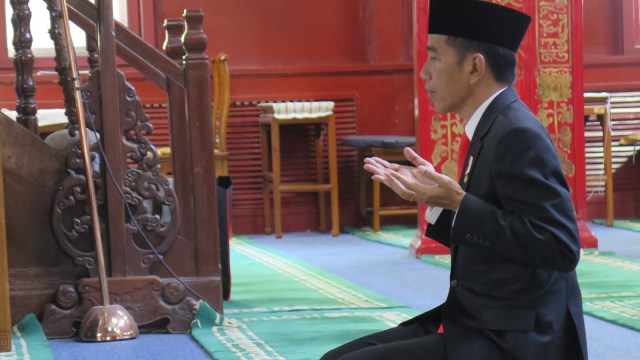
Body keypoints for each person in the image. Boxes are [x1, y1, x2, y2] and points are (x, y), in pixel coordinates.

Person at [321, 0, 588, 359]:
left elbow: (560, 246)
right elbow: (496, 235)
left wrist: (460, 202)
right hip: (480, 319)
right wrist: (435, 200)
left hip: (517, 338)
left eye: (434, 58)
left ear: (475, 67)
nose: (424, 74)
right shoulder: (493, 125)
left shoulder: (514, 132)